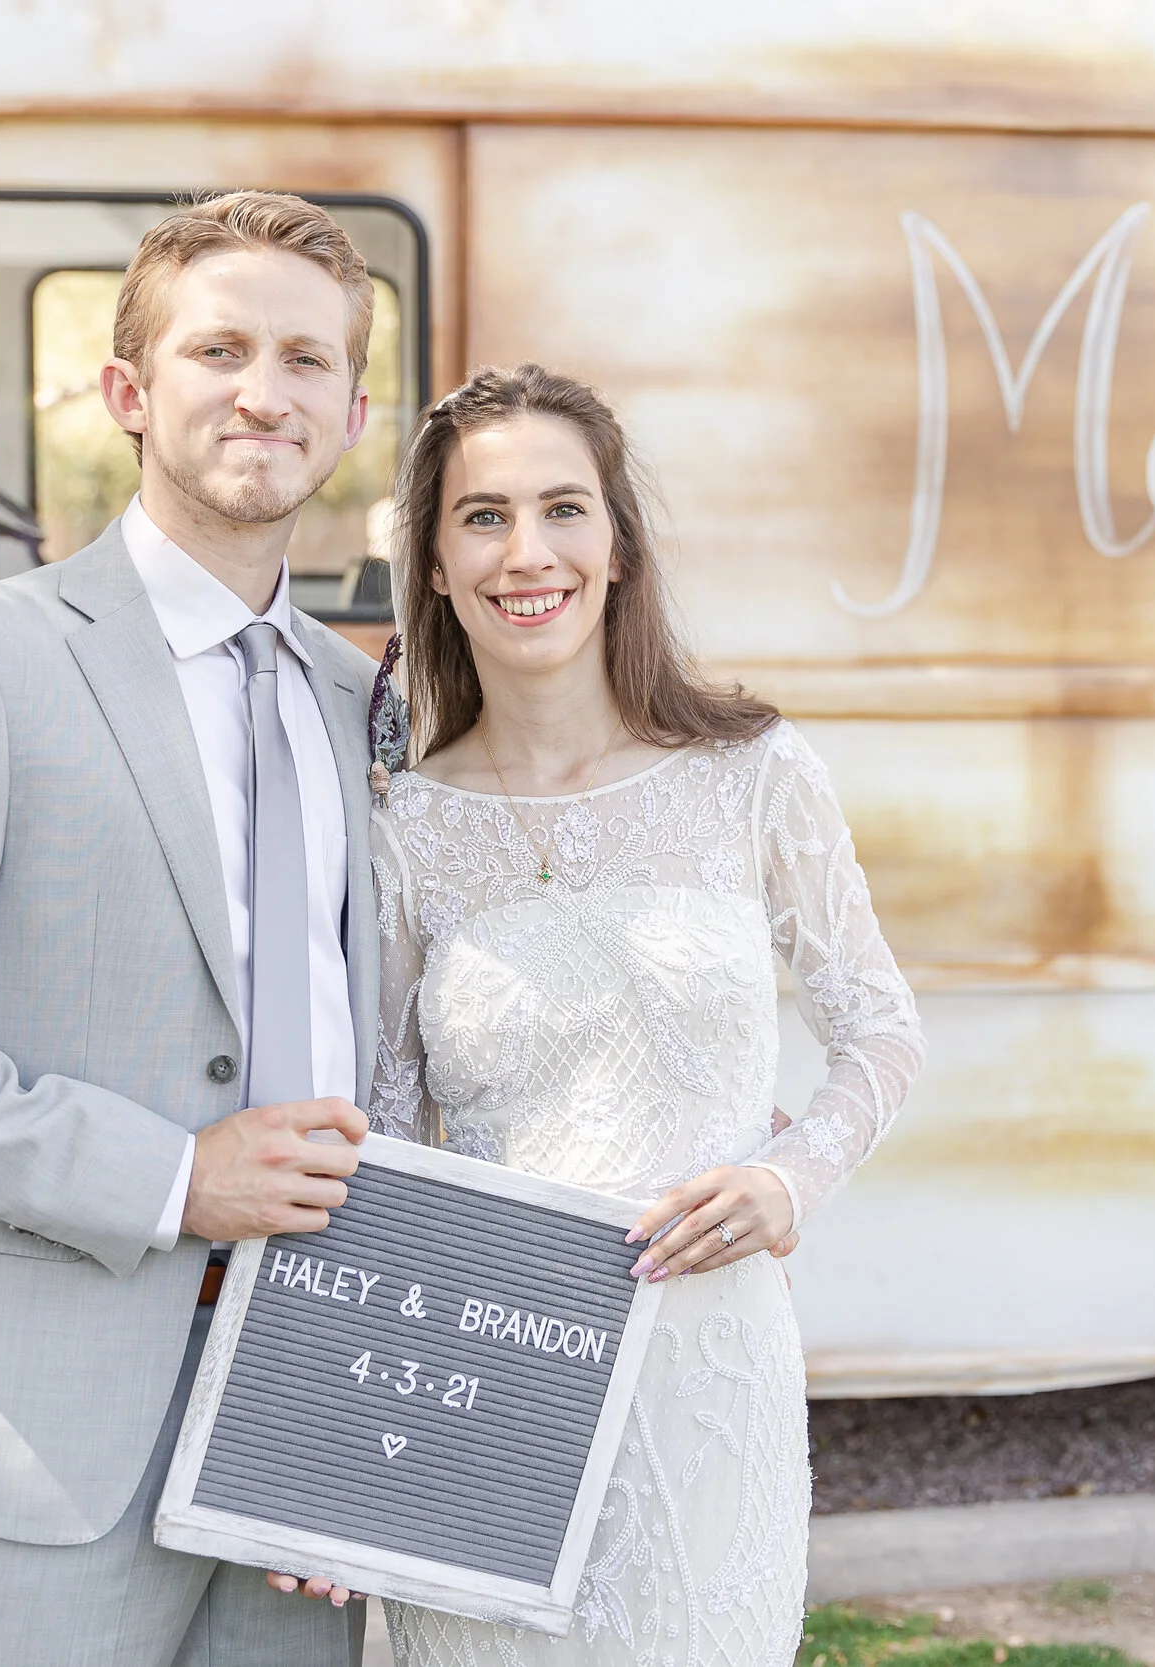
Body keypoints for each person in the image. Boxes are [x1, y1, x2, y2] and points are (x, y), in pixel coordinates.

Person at [0, 191, 385, 1667]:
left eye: (307, 359)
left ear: (353, 413)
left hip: (306, 1406)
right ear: (128, 391)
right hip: (41, 1421)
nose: (263, 390)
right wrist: (176, 1177)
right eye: (218, 347)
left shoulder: (364, 706)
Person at [368, 364, 925, 1666]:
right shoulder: (407, 827)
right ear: (437, 567)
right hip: (484, 1384)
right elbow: (391, 1138)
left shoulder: (750, 774)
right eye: (482, 517)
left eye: (563, 508)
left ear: (618, 543)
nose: (528, 552)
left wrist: (793, 1174)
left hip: (705, 1380)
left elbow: (883, 1028)